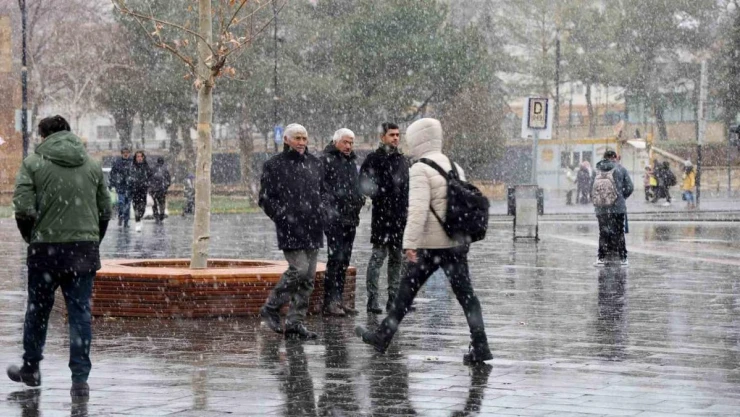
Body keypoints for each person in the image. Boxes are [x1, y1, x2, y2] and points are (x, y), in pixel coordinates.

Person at [355, 118, 492, 365]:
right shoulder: (453, 165)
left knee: (405, 293)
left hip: (431, 245)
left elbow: (418, 210)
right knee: (467, 296)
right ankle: (480, 345)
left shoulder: (420, 168)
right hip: (456, 242)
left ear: (418, 139)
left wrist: (409, 243)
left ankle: (382, 337)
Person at [8, 115, 111, 399]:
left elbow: (23, 208)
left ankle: (31, 368)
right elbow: (105, 210)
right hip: (83, 251)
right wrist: (92, 239)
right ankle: (80, 380)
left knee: (37, 311)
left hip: (46, 250)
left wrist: (32, 237)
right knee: (80, 315)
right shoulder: (91, 165)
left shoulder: (33, 164)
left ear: (43, 136)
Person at [258, 123, 324, 340]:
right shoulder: (274, 165)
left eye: (304, 138)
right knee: (299, 270)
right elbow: (265, 198)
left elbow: (324, 193)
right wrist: (283, 217)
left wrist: (323, 212)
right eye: (297, 138)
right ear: (286, 139)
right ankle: (271, 307)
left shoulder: (315, 163)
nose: (301, 142)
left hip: (313, 227)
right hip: (290, 227)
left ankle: (295, 323)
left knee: (308, 278)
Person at [359, 122, 410, 314]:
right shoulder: (373, 159)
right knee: (378, 257)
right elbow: (364, 183)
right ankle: (372, 300)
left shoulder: (402, 160)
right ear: (383, 137)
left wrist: (407, 209)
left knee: (397, 259)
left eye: (397, 135)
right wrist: (381, 195)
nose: (396, 138)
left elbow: (406, 188)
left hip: (400, 218)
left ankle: (393, 300)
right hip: (382, 217)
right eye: (392, 135)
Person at [321, 128, 365, 317]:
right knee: (335, 259)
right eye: (345, 142)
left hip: (350, 218)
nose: (348, 146)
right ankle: (330, 301)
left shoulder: (351, 161)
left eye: (351, 143)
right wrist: (331, 209)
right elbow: (322, 189)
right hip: (334, 219)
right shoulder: (326, 160)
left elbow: (356, 186)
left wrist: (359, 200)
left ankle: (339, 300)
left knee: (344, 260)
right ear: (335, 141)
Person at [592, 149, 633, 267]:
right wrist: (621, 197)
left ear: (604, 157)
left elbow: (592, 189)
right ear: (614, 157)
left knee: (603, 232)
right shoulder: (621, 169)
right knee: (619, 233)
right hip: (618, 208)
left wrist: (599, 201)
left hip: (601, 208)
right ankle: (623, 258)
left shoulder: (597, 170)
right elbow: (630, 187)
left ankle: (601, 258)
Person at [109, 146, 132, 227]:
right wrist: (112, 184)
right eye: (124, 153)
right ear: (122, 153)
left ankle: (126, 221)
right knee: (121, 203)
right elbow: (112, 174)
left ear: (129, 153)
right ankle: (121, 216)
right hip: (120, 186)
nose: (126, 154)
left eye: (127, 152)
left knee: (128, 205)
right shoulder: (117, 162)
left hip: (129, 187)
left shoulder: (132, 162)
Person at [129, 151, 151, 232]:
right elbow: (129, 177)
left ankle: (140, 218)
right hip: (134, 190)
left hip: (143, 190)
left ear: (143, 157)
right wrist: (131, 183)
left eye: (140, 156)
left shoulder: (146, 167)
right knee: (136, 208)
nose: (139, 158)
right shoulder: (132, 167)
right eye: (137, 156)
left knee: (142, 207)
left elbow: (150, 177)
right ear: (135, 158)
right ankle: (137, 222)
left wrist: (148, 184)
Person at [149, 156, 171, 223]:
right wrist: (166, 187)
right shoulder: (165, 170)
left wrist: (150, 187)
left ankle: (156, 215)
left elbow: (149, 179)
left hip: (154, 190)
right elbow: (168, 180)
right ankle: (161, 215)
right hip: (162, 189)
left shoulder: (153, 169)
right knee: (161, 202)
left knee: (154, 203)